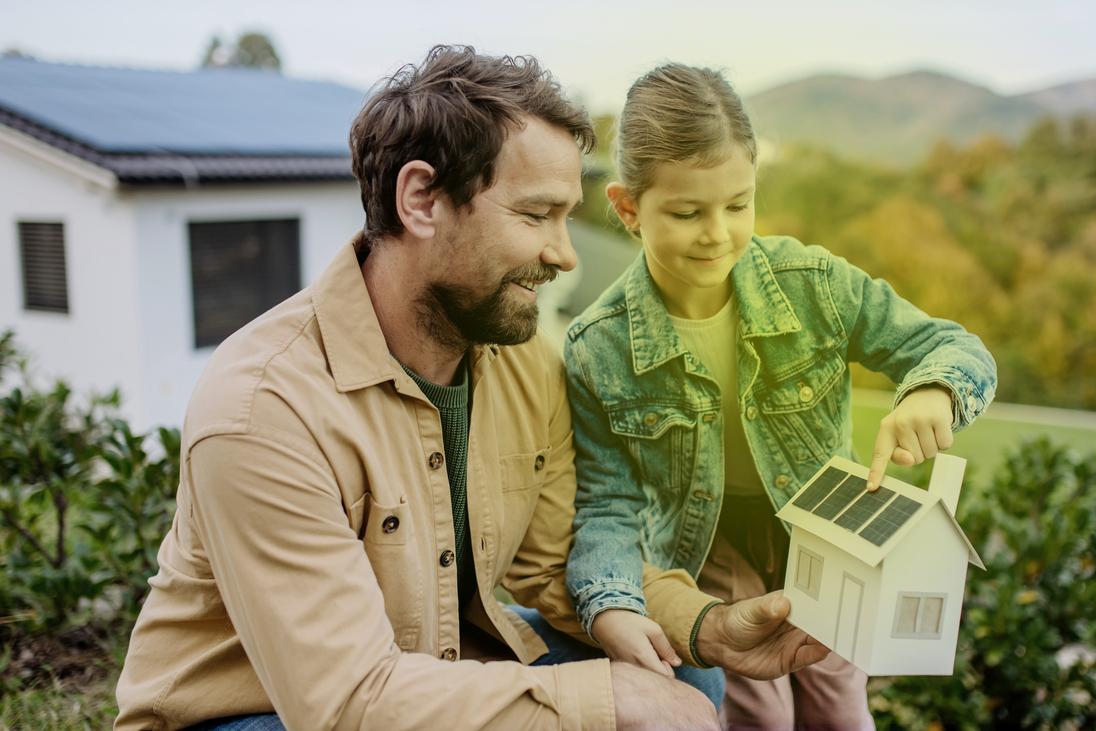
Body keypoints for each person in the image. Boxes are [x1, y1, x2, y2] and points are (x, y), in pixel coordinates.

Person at [113, 47, 827, 731]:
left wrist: (707, 625)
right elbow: (346, 705)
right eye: (535, 214)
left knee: (678, 673)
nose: (565, 253)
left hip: (423, 670)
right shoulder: (262, 409)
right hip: (252, 713)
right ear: (422, 199)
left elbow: (558, 561)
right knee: (619, 699)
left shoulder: (522, 361)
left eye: (567, 216)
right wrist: (597, 700)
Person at [564, 63, 998, 730]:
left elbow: (952, 346)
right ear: (627, 208)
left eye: (739, 204)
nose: (719, 232)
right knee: (754, 714)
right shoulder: (599, 346)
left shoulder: (815, 284)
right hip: (705, 554)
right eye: (687, 212)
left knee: (840, 707)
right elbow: (607, 500)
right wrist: (613, 599)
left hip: (825, 535)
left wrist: (934, 391)